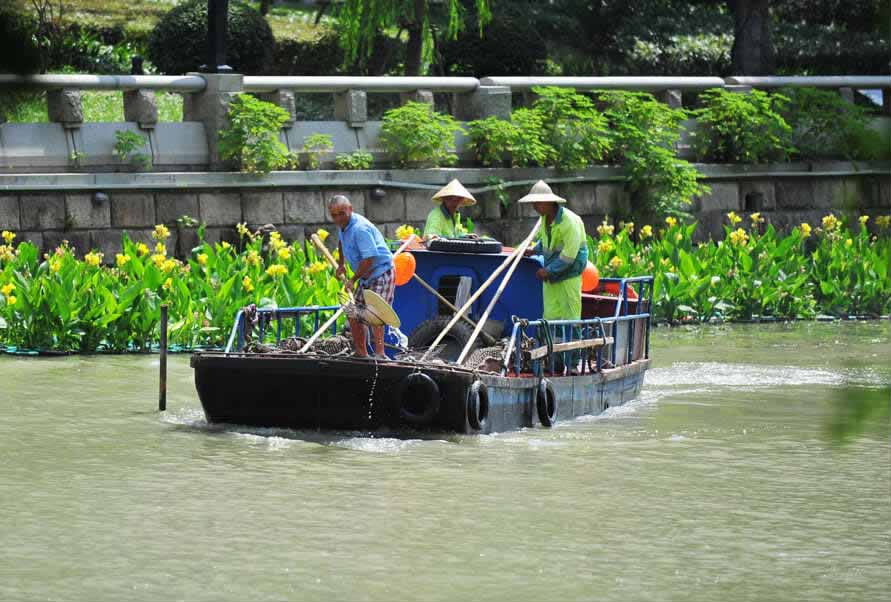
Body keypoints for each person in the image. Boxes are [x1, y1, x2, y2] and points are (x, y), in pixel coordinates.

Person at [521, 181, 588, 372]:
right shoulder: (544, 220)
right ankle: (555, 363)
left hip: (569, 276)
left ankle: (573, 365)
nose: (534, 207)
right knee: (550, 319)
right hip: (551, 278)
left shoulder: (569, 221)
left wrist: (548, 271)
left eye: (538, 203)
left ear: (549, 202)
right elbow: (547, 242)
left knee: (570, 319)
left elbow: (569, 254)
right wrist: (533, 250)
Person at [328, 195, 395, 358]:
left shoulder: (360, 229)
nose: (338, 218)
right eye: (334, 215)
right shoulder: (343, 225)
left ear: (350, 209)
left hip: (380, 272)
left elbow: (369, 259)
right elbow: (341, 242)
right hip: (365, 275)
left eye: (341, 214)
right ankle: (361, 353)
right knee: (353, 313)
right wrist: (341, 264)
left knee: (375, 313)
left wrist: (352, 280)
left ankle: (380, 354)